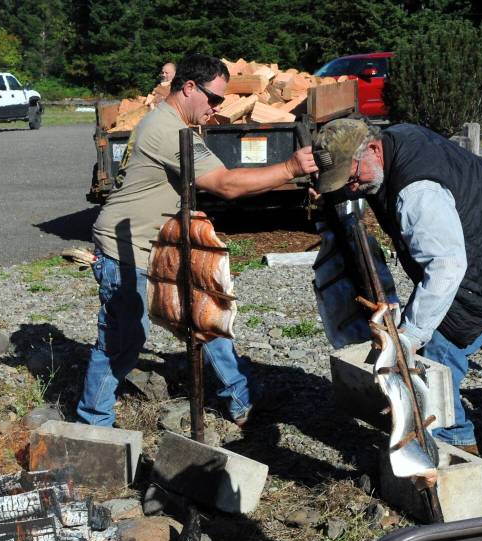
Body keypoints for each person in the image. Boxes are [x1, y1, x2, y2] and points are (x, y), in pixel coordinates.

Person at [77, 53, 318, 428]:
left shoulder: (175, 124)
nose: (217, 107)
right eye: (214, 98)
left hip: (162, 244)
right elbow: (225, 185)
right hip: (127, 249)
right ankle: (93, 424)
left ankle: (239, 398)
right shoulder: (168, 130)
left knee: (205, 315)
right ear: (189, 87)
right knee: (123, 340)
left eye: (222, 100)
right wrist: (289, 168)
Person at [312, 118, 482, 456]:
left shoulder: (417, 192)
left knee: (439, 351)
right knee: (430, 341)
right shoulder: (391, 142)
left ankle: (455, 451)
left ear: (372, 149)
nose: (352, 188)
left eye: (353, 178)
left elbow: (446, 266)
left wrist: (411, 335)